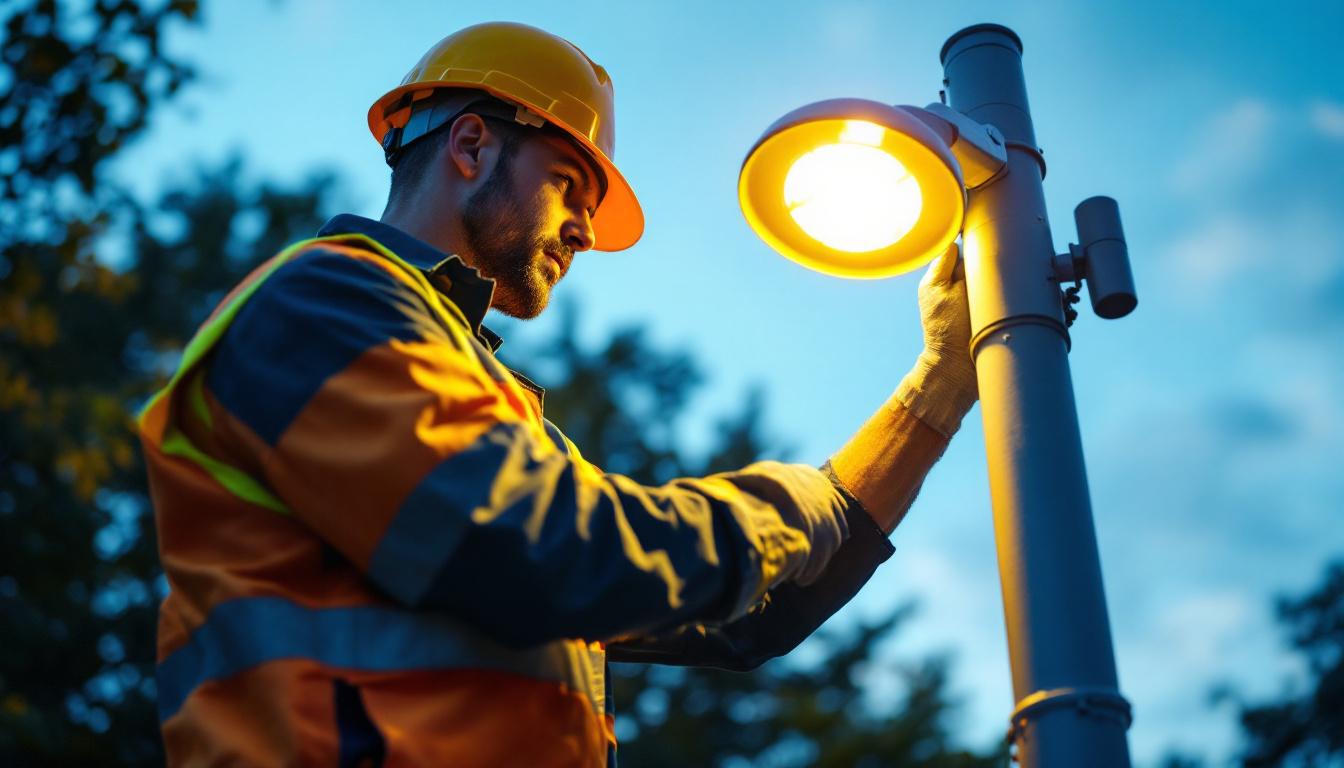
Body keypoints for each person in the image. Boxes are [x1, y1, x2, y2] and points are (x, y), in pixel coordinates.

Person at [137, 21, 978, 768]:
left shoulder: (483, 405)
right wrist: (792, 507)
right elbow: (536, 547)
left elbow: (747, 617)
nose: (584, 230)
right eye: (571, 184)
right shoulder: (324, 301)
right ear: (471, 147)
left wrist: (937, 387)